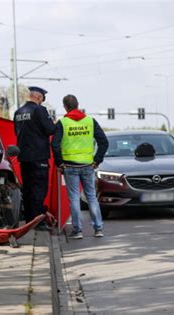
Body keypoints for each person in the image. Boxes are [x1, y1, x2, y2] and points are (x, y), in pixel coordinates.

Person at [51, 95, 108, 239]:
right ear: (77, 105)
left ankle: (78, 230)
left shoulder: (62, 123)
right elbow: (104, 142)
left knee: (74, 198)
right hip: (88, 165)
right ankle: (98, 228)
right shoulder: (90, 121)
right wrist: (97, 160)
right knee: (91, 197)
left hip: (69, 166)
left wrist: (59, 163)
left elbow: (55, 144)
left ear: (65, 107)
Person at [14, 86, 56, 231]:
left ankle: (29, 220)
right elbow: (50, 129)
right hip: (39, 157)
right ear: (39, 98)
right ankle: (38, 221)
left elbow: (17, 132)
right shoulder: (39, 110)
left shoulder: (18, 112)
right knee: (39, 189)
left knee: (28, 189)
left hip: (24, 157)